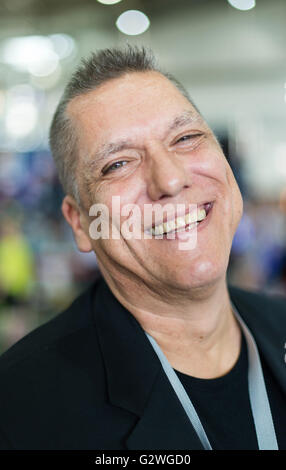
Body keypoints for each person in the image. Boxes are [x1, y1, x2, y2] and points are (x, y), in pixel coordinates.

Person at [0, 46, 285, 451]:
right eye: (118, 164)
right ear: (79, 222)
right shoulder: (20, 412)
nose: (169, 179)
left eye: (186, 138)